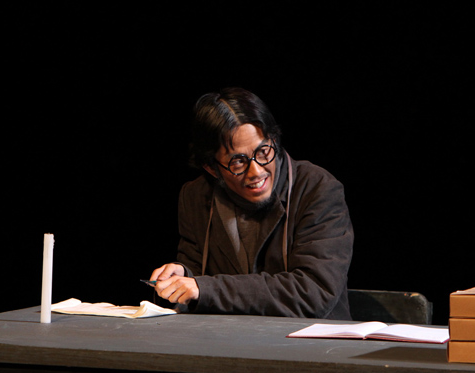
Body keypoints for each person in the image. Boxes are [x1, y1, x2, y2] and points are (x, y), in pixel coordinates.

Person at [149, 87, 354, 319]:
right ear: (212, 168)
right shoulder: (196, 196)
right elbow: (198, 276)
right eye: (238, 161)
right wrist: (182, 276)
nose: (256, 171)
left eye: (263, 151)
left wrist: (206, 289)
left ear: (274, 140)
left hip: (309, 338)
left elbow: (313, 292)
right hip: (227, 338)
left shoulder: (316, 189)